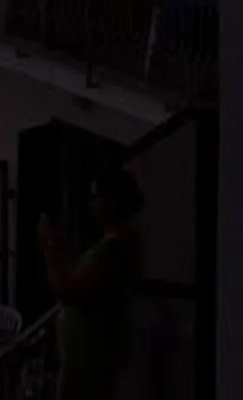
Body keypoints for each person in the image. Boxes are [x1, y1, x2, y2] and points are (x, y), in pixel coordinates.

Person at [41, 168, 145, 400]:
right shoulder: (117, 244)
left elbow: (67, 292)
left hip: (89, 357)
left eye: (96, 197)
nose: (92, 204)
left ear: (114, 201)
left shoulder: (114, 248)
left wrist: (49, 249)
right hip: (90, 356)